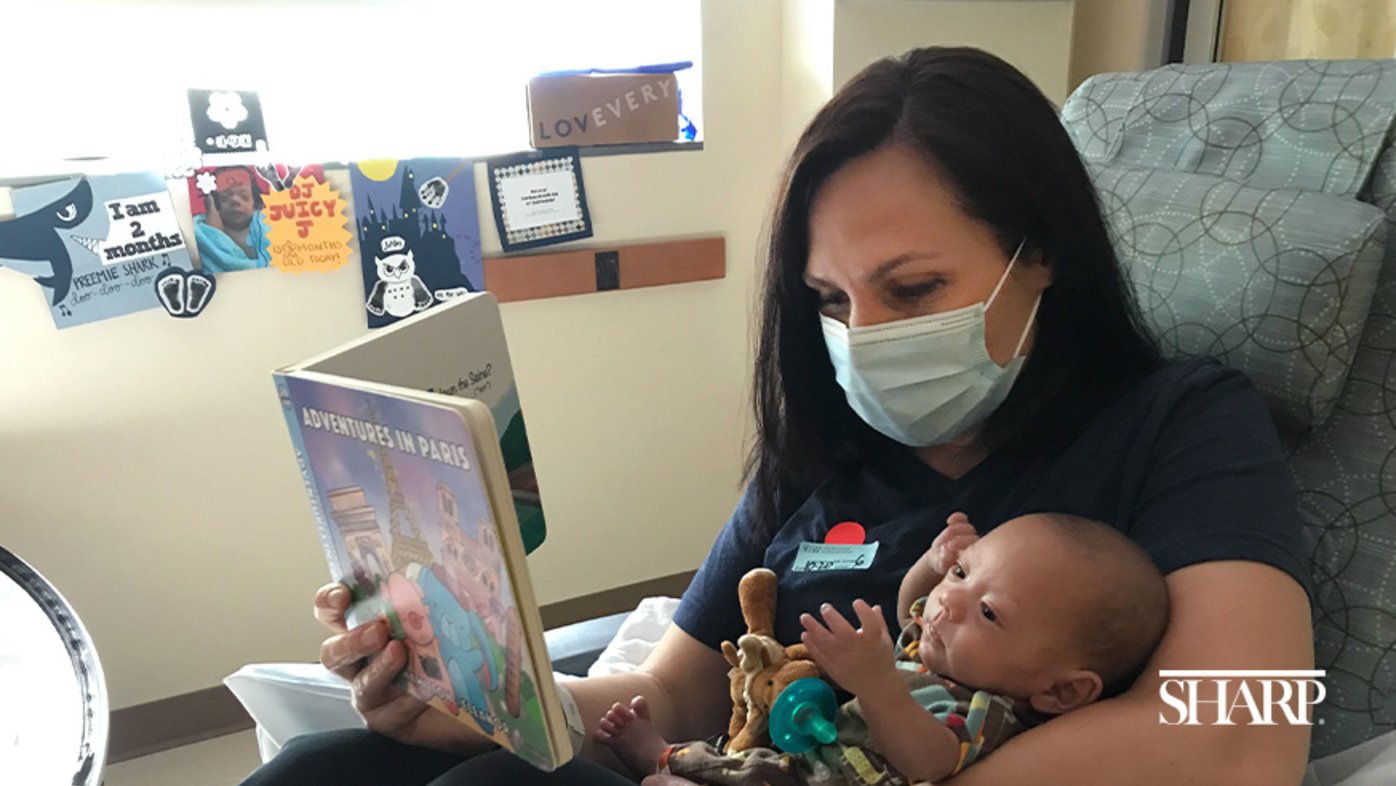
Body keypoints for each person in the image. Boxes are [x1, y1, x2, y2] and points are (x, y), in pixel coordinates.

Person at [240, 46, 1314, 786]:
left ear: (1039, 257)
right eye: (829, 300)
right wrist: (503, 705)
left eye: (913, 289)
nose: (863, 333)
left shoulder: (1178, 422)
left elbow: (1241, 737)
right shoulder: (822, 448)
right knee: (323, 770)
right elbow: (679, 699)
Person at [595, 512, 1169, 785]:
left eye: (990, 613)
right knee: (739, 759)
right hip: (808, 763)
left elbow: (930, 760)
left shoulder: (988, 713)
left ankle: (665, 765)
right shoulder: (938, 645)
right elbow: (909, 608)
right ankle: (665, 757)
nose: (950, 604)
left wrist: (876, 684)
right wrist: (932, 565)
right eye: (965, 574)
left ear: (1061, 690)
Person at [194, 167, 271, 273]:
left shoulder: (264, 228)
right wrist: (211, 214)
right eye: (225, 198)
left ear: (256, 204)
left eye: (244, 197)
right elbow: (210, 243)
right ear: (217, 206)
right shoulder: (210, 232)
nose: (235, 201)